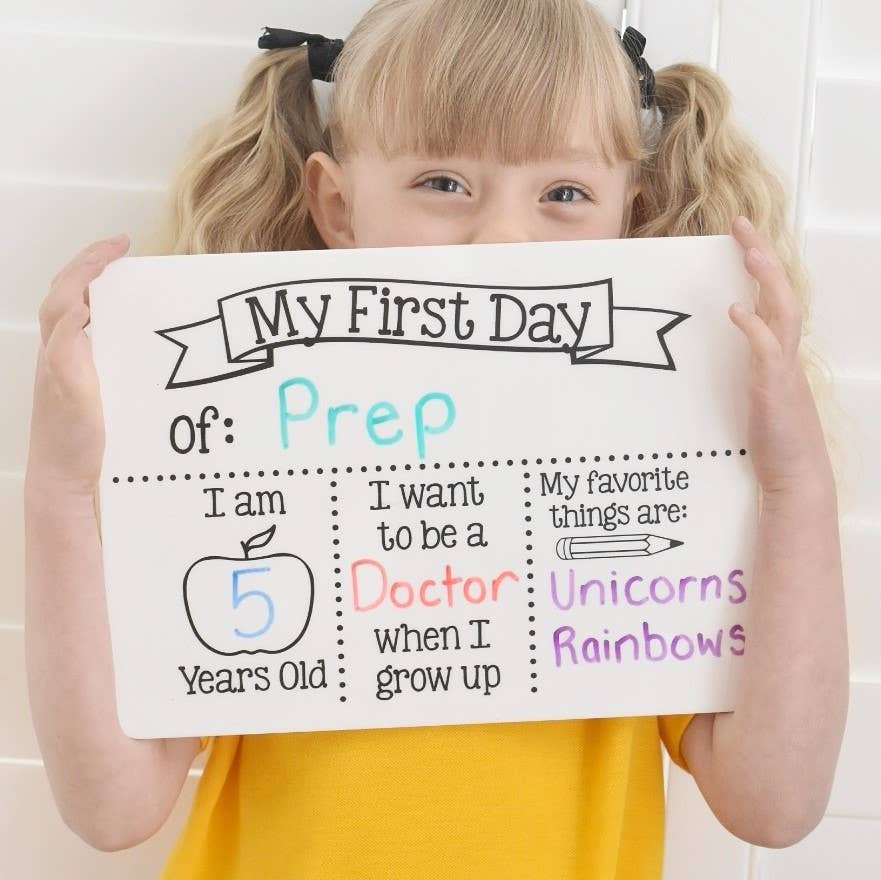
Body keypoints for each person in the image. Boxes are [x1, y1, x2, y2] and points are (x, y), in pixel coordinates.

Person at [24, 1, 848, 877]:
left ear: (625, 217)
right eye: (443, 183)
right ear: (337, 207)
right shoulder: (241, 464)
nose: (504, 237)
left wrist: (794, 483)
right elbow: (112, 807)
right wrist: (61, 489)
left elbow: (774, 803)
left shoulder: (655, 487)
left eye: (564, 194)